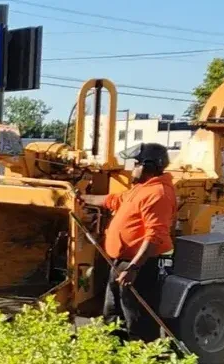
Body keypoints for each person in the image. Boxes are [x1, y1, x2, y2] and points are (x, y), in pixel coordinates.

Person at [80, 142, 178, 341]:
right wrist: (82, 198)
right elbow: (113, 200)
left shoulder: (158, 194)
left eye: (136, 163)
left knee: (137, 320)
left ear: (148, 166)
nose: (132, 168)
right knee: (114, 315)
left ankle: (142, 357)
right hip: (121, 262)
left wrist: (133, 268)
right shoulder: (141, 189)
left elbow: (155, 235)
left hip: (141, 265)